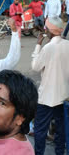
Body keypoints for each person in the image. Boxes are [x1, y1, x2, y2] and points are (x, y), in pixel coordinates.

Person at [31, 17, 69, 155]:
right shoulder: (67, 45)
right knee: (61, 130)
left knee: (40, 131)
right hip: (63, 97)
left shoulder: (48, 47)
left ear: (50, 31)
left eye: (46, 28)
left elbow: (35, 66)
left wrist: (38, 45)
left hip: (46, 98)